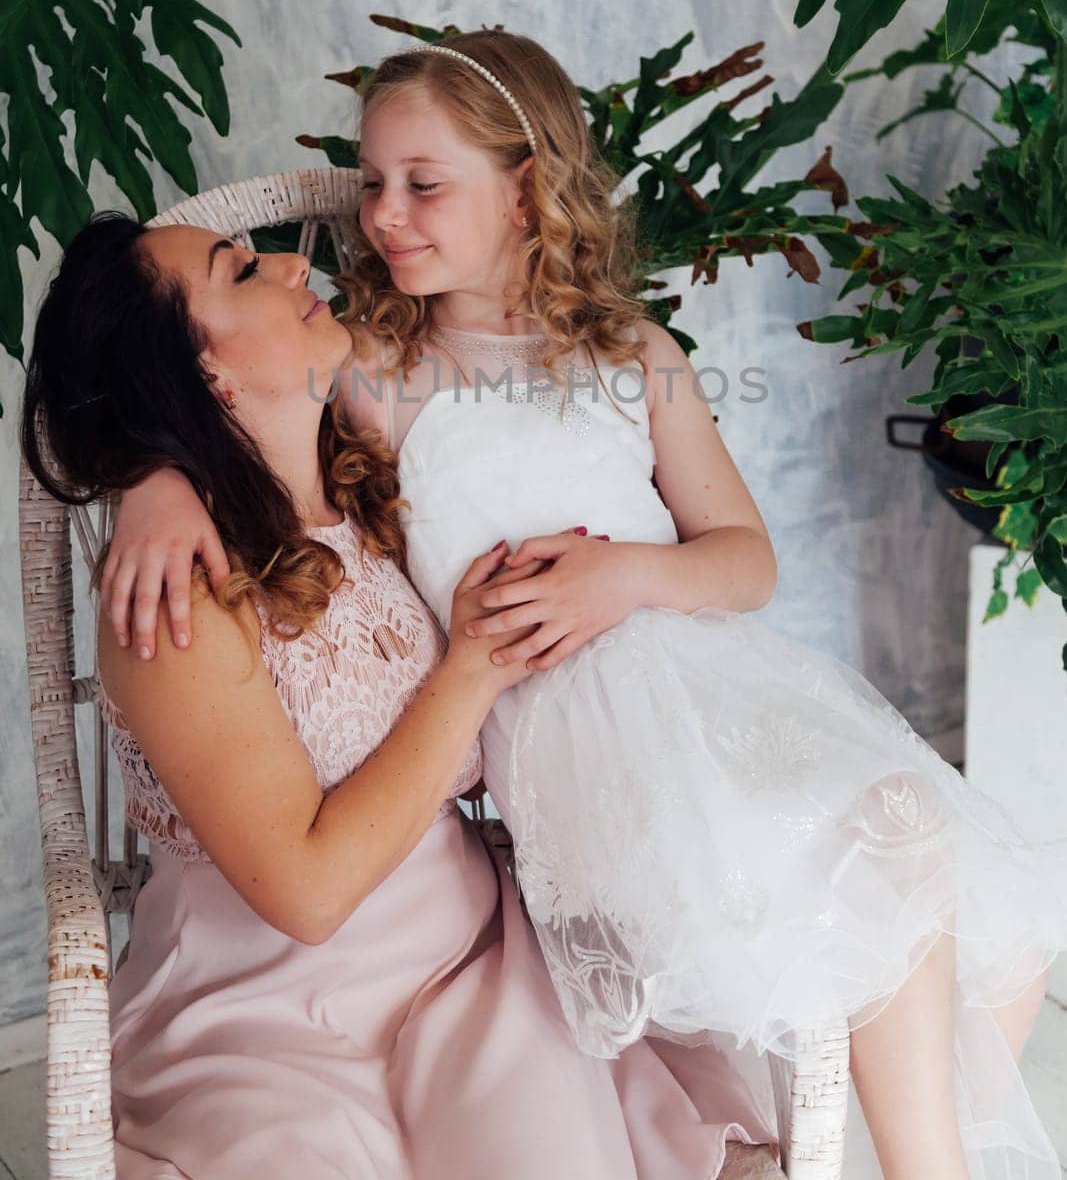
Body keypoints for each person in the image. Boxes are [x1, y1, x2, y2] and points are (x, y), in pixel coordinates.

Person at [104, 31, 1067, 1180]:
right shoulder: (371, 368)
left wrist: (626, 575)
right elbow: (203, 400)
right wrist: (151, 483)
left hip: (713, 685)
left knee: (963, 883)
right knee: (882, 871)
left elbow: (742, 561)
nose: (382, 216)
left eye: (423, 184)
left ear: (524, 191)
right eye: (371, 184)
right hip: (575, 738)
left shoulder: (633, 355)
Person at [21, 211, 778, 1179]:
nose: (297, 261)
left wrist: (152, 475)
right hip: (267, 1012)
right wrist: (469, 668)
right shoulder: (180, 595)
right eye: (243, 270)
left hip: (470, 965)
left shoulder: (377, 469)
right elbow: (306, 892)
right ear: (206, 374)